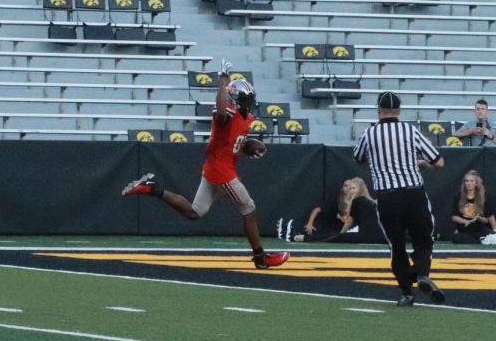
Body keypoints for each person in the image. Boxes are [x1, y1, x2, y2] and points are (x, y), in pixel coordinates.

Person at [121, 59, 289, 270]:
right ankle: (260, 257)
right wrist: (223, 79)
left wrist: (250, 146)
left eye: (250, 98)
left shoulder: (247, 118)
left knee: (195, 212)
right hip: (222, 171)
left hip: (216, 168)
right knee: (249, 209)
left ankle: (153, 189)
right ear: (235, 99)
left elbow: (235, 142)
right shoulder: (226, 111)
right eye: (245, 99)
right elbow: (220, 113)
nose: (249, 102)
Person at [353, 91, 446, 306]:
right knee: (424, 240)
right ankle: (422, 274)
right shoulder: (409, 130)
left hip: (387, 196)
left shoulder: (370, 134)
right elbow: (439, 161)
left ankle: (406, 292)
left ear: (378, 111)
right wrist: (421, 165)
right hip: (414, 192)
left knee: (396, 246)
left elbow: (358, 157)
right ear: (399, 111)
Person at [296, 177, 382, 243]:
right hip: (379, 236)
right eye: (350, 188)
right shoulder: (371, 202)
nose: (350, 191)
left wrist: (341, 234)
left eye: (353, 188)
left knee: (334, 237)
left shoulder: (357, 201)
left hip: (367, 236)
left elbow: (350, 221)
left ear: (360, 189)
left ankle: (306, 238)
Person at [449, 170, 496, 244]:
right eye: (467, 181)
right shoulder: (458, 197)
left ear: (476, 183)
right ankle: (480, 241)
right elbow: (454, 216)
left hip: (479, 230)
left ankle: (482, 239)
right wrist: (466, 221)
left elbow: (488, 218)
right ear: (464, 183)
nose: (469, 183)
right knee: (455, 237)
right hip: (464, 231)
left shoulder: (484, 197)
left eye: (472, 181)